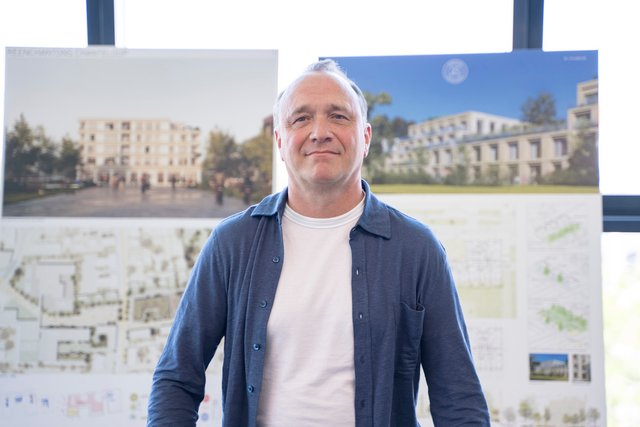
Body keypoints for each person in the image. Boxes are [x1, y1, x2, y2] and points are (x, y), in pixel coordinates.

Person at [147, 59, 490, 426]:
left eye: (338, 116)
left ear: (366, 138)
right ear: (280, 141)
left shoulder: (416, 249)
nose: (320, 132)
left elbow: (459, 399)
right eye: (301, 119)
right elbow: (176, 378)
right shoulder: (233, 243)